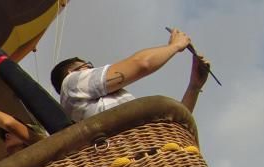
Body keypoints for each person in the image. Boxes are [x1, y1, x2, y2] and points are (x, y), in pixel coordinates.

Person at [50, 27, 210, 122]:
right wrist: (175, 46)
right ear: (72, 72)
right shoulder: (71, 84)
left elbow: (175, 126)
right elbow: (142, 63)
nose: (93, 70)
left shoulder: (109, 103)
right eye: (88, 66)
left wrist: (194, 86)